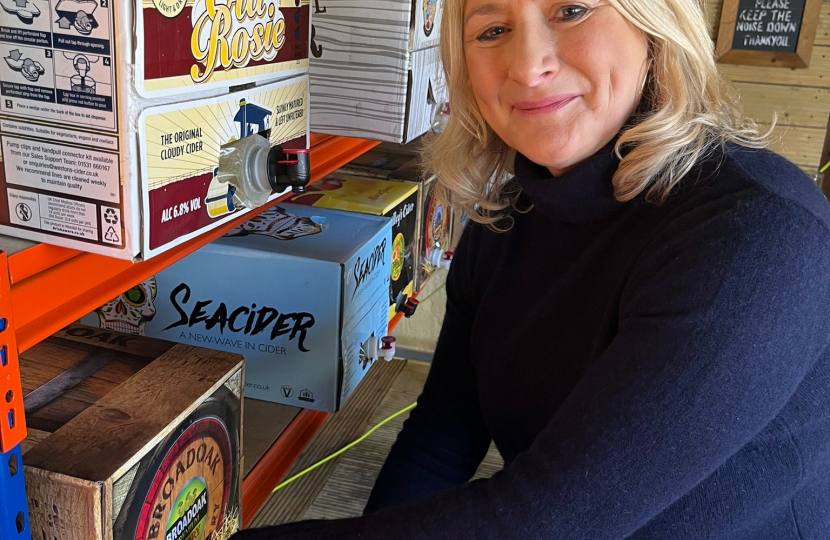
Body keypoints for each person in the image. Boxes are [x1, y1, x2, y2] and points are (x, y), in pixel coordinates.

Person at [234, 0, 830, 538]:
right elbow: (443, 435)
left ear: (655, 30)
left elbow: (544, 519)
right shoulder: (513, 212)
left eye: (571, 10)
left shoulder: (756, 236)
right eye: (492, 29)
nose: (527, 64)